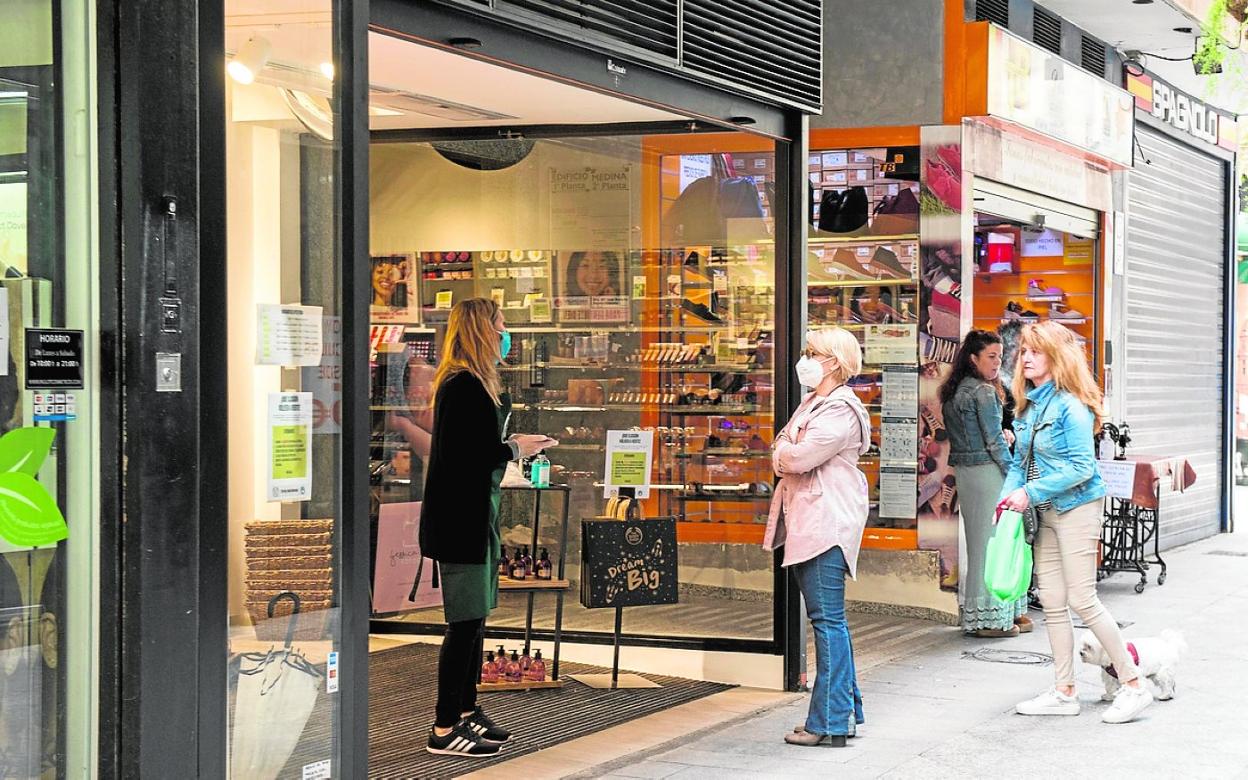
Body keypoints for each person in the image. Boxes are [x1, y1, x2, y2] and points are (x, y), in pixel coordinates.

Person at [419, 298, 557, 757]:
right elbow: (466, 456)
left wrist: (511, 444)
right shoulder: (462, 386)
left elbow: (474, 447)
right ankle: (444, 727)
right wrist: (516, 449)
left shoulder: (474, 384)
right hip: (460, 523)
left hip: (476, 517)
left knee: (476, 621)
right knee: (463, 624)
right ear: (482, 330)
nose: (505, 332)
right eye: (500, 324)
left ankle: (466, 708)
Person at [999, 321, 1151, 724]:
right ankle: (1065, 691)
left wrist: (1029, 492)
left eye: (1036, 351)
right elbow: (1018, 464)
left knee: (1082, 599)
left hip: (1077, 508)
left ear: (1057, 357)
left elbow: (1082, 467)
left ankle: (1134, 683)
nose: (1025, 357)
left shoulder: (1071, 406)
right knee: (1051, 601)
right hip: (1044, 511)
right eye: (1024, 350)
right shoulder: (1028, 404)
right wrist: (1007, 499)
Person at [764, 327, 870, 748]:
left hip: (826, 524)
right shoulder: (815, 403)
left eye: (814, 353)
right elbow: (782, 446)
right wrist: (785, 451)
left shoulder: (839, 409)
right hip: (811, 522)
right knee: (829, 622)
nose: (805, 359)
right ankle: (844, 712)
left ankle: (829, 721)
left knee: (828, 622)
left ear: (834, 362)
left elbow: (796, 455)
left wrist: (785, 451)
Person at [939, 330, 1030, 638]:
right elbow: (994, 441)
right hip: (989, 473)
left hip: (966, 474)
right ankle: (991, 619)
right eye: (991, 356)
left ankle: (988, 614)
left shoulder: (954, 391)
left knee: (980, 545)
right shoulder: (984, 392)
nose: (997, 362)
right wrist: (1013, 474)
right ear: (973, 358)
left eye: (999, 357)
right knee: (995, 544)